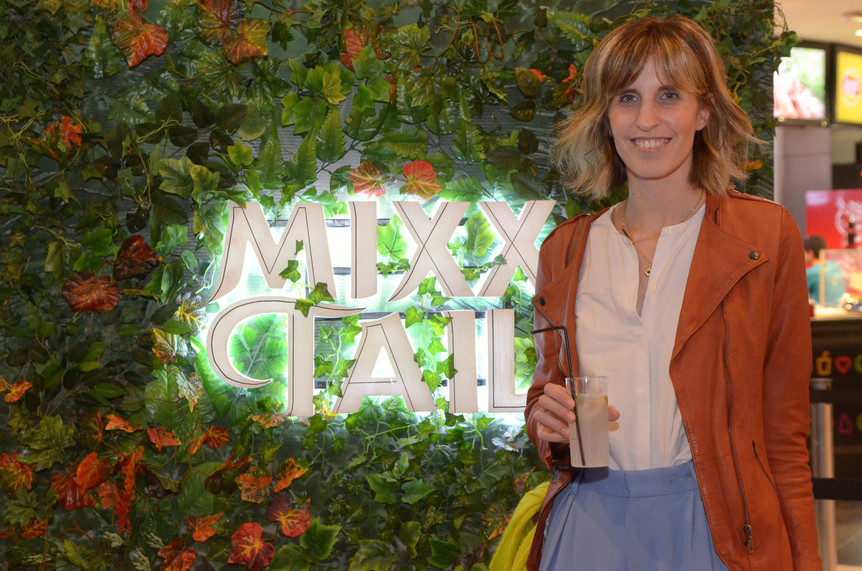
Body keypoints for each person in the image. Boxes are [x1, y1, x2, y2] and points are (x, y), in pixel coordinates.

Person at [525, 15, 821, 571]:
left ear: (703, 111)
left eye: (669, 95)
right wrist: (548, 423)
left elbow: (783, 437)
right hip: (589, 525)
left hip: (714, 526)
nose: (646, 119)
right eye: (626, 98)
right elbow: (548, 396)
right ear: (605, 116)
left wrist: (805, 561)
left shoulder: (763, 238)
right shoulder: (565, 250)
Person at [803, 234, 845, 306]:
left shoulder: (811, 273)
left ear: (810, 253)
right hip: (840, 307)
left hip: (821, 309)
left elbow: (798, 294)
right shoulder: (833, 265)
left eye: (803, 251)